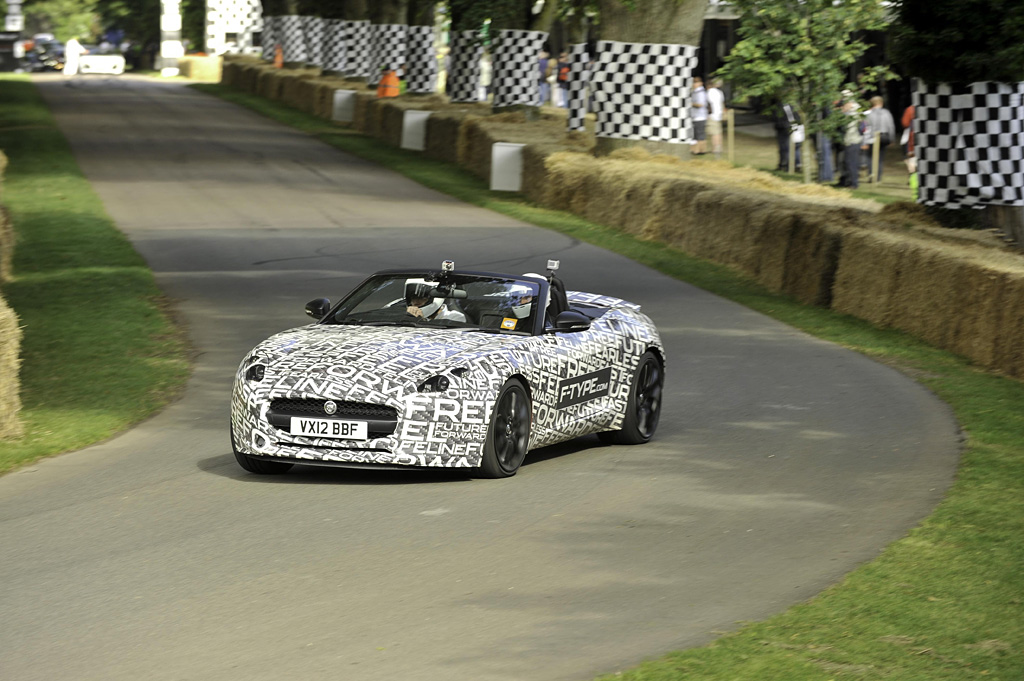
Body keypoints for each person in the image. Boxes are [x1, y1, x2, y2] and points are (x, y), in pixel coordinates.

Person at [862, 96, 896, 182]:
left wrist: (864, 141)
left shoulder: (867, 113)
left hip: (871, 137)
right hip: (883, 137)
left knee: (870, 157)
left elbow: (865, 128)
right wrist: (892, 138)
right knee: (880, 157)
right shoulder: (886, 113)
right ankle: (878, 177)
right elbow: (891, 126)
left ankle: (871, 175)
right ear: (881, 103)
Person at [706, 79, 725, 157]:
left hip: (712, 115)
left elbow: (708, 103)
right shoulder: (720, 92)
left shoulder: (710, 92)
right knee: (718, 132)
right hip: (719, 114)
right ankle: (719, 147)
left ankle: (716, 148)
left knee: (714, 133)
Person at [690, 77, 708, 155]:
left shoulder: (700, 93)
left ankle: (701, 150)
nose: (694, 84)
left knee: (700, 134)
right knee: (696, 134)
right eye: (694, 82)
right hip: (696, 116)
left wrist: (690, 104)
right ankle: (696, 150)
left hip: (700, 116)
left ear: (700, 83)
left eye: (696, 82)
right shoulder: (695, 92)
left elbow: (700, 104)